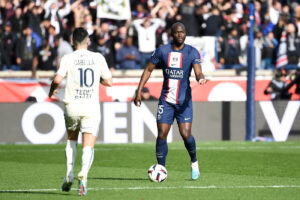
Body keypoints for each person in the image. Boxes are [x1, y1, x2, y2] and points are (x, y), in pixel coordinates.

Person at [134, 22, 208, 180]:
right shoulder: (162, 51)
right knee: (162, 134)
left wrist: (201, 78)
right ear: (172, 34)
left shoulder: (192, 52)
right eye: (177, 32)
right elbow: (148, 69)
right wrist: (138, 91)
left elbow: (198, 72)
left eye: (183, 32)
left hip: (184, 102)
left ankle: (194, 162)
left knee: (185, 134)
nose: (180, 34)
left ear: (185, 33)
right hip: (166, 101)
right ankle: (161, 168)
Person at [48, 27, 112, 196]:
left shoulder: (68, 58)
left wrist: (51, 90)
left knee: (71, 140)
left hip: (72, 106)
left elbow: (57, 79)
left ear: (72, 41)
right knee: (88, 144)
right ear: (88, 41)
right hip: (90, 107)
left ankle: (69, 175)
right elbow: (109, 82)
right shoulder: (98, 57)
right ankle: (83, 174)